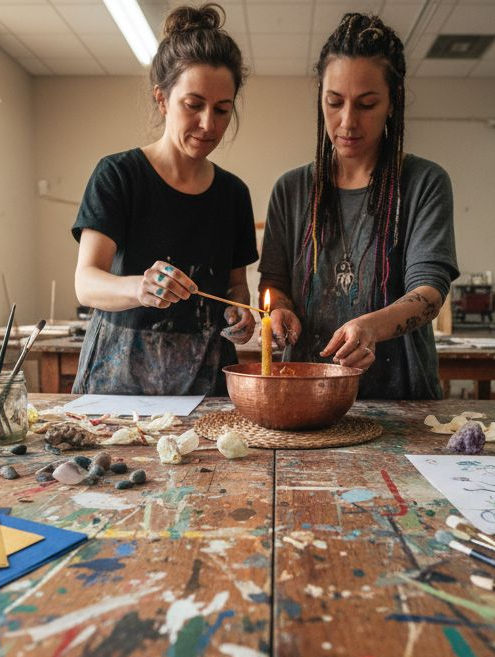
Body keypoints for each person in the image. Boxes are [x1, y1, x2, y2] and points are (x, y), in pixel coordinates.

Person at [259, 12, 459, 399]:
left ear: (392, 102)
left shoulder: (424, 183)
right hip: (306, 392)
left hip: (402, 399)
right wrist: (279, 311)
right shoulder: (292, 189)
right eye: (334, 102)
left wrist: (370, 328)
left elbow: (430, 292)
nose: (347, 121)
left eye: (366, 104)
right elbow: (275, 284)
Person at [72, 4, 257, 395]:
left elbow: (236, 286)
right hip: (120, 381)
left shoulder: (234, 194)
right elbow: (86, 283)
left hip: (206, 383)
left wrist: (240, 311)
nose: (209, 124)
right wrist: (138, 287)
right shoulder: (119, 175)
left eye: (222, 110)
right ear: (162, 99)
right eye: (194, 105)